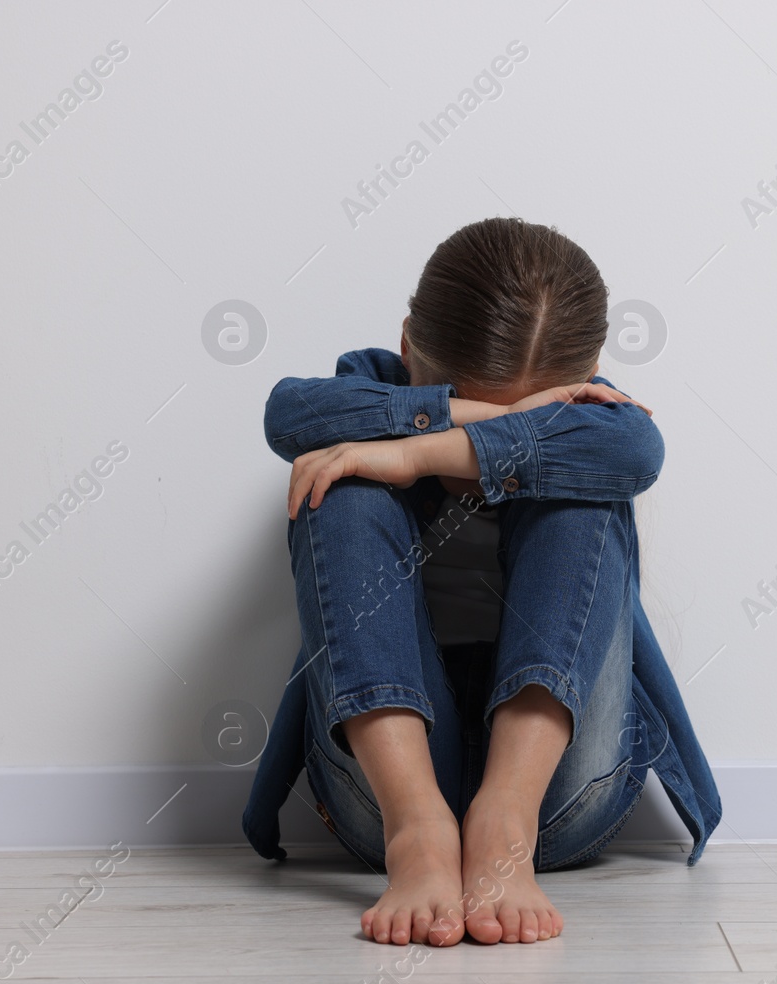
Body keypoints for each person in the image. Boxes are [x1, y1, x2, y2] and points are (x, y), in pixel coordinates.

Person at [243, 218, 721, 946]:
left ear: (589, 373)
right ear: (407, 350)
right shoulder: (365, 391)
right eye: (467, 399)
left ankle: (503, 820)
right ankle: (422, 834)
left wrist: (419, 452)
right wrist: (478, 425)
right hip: (383, 800)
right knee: (340, 482)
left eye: (542, 405)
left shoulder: (602, 426)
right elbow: (290, 413)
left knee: (584, 493)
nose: (491, 438)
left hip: (557, 798)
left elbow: (636, 447)